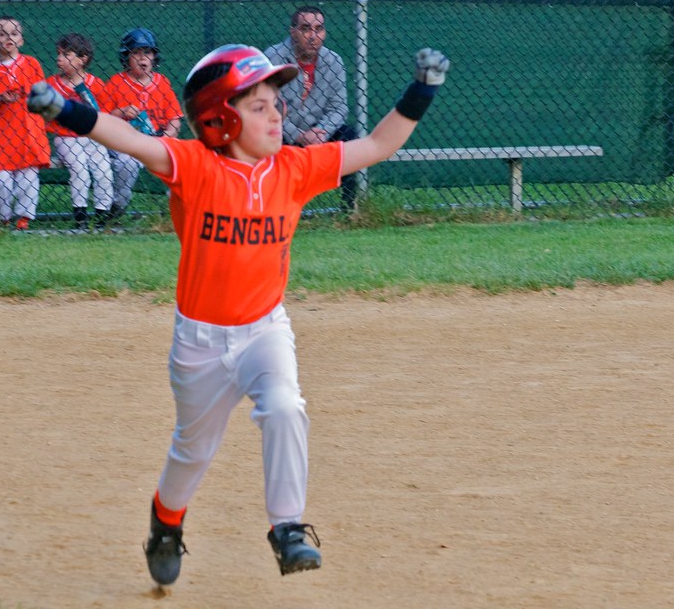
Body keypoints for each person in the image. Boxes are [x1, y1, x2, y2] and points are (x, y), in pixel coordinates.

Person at [27, 43, 449, 586]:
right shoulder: (195, 166)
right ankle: (166, 523)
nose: (277, 113)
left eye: (277, 102)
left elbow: (376, 144)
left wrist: (423, 89)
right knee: (193, 450)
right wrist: (66, 111)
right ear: (220, 119)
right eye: (259, 106)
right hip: (199, 343)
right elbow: (129, 138)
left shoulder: (293, 168)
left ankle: (288, 528)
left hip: (263, 331)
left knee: (284, 405)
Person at [264, 5, 358, 213]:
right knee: (265, 134)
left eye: (319, 29)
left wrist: (320, 133)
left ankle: (349, 208)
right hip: (284, 132)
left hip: (319, 132)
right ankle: (274, 207)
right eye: (306, 28)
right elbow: (267, 108)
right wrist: (298, 135)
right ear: (293, 31)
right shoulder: (274, 58)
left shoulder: (333, 61)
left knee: (350, 136)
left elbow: (339, 107)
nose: (313, 36)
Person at [0, 16, 50, 230]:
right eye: (2, 33)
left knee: (28, 180)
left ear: (21, 40)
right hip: (2, 135)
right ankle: (4, 218)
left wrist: (25, 92)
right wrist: (0, 99)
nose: (8, 37)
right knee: (2, 182)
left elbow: (42, 96)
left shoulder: (31, 64)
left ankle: (24, 220)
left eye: (14, 33)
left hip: (28, 133)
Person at [107, 28, 183, 221]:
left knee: (178, 161)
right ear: (126, 56)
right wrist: (122, 112)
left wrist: (167, 137)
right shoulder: (116, 83)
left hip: (156, 140)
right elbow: (104, 120)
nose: (143, 58)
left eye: (147, 52)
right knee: (127, 163)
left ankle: (173, 211)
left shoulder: (162, 82)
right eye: (136, 53)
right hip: (125, 143)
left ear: (154, 57)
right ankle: (118, 205)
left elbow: (174, 120)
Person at [45, 32, 115, 231]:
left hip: (92, 136)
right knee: (80, 170)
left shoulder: (96, 85)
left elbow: (105, 114)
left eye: (66, 55)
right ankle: (81, 218)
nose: (59, 59)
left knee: (104, 172)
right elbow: (46, 117)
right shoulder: (52, 84)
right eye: (58, 54)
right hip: (66, 137)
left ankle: (102, 217)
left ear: (82, 59)